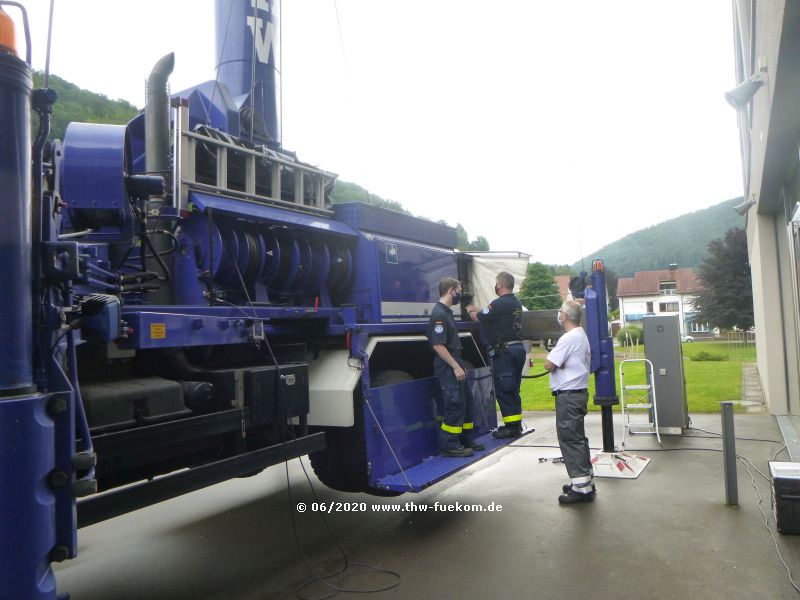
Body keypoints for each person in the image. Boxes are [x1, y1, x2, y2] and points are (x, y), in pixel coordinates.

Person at [544, 299, 595, 504]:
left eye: (560, 312)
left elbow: (549, 364)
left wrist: (550, 355)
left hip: (569, 396)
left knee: (570, 439)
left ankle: (581, 490)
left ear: (564, 316)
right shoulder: (581, 335)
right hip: (578, 394)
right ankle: (584, 481)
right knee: (578, 438)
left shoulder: (568, 338)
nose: (558, 314)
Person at [465, 271, 526, 439]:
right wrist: (480, 309)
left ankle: (511, 428)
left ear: (499, 284)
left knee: (504, 388)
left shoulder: (498, 304)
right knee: (512, 388)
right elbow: (489, 312)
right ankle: (515, 424)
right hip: (517, 349)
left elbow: (478, 317)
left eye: (496, 283)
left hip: (505, 352)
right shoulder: (515, 303)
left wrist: (470, 309)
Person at [428, 277, 484, 457]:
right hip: (447, 364)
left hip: (455, 360)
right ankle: (450, 445)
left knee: (466, 401)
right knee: (454, 404)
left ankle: (466, 439)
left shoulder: (447, 312)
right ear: (451, 290)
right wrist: (455, 366)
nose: (460, 294)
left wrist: (459, 364)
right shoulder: (439, 314)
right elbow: (438, 345)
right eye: (459, 290)